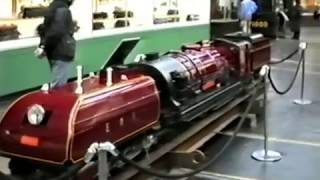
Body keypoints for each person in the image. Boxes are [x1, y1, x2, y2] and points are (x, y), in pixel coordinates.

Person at [35, 0, 76, 88]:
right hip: (61, 51)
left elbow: (45, 30)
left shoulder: (53, 7)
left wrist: (43, 46)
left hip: (54, 51)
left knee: (57, 82)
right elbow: (57, 32)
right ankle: (57, 101)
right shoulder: (63, 10)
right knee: (59, 85)